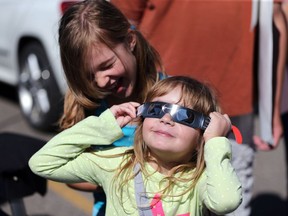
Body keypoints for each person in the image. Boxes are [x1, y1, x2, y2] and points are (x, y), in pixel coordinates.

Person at [110, 0, 287, 215]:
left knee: (230, 202)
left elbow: (274, 19)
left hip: (231, 107)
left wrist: (272, 110)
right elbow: (120, 22)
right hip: (161, 104)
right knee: (149, 199)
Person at [29, 76, 242, 216]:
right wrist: (103, 125)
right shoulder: (117, 163)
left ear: (202, 133)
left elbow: (226, 202)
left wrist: (215, 142)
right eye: (157, 109)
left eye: (184, 115)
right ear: (142, 117)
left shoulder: (200, 178)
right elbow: (42, 163)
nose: (166, 118)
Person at [57, 0, 166, 215]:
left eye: (106, 66)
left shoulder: (172, 97)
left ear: (130, 41)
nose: (100, 82)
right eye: (89, 76)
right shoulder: (88, 108)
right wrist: (115, 179)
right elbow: (68, 174)